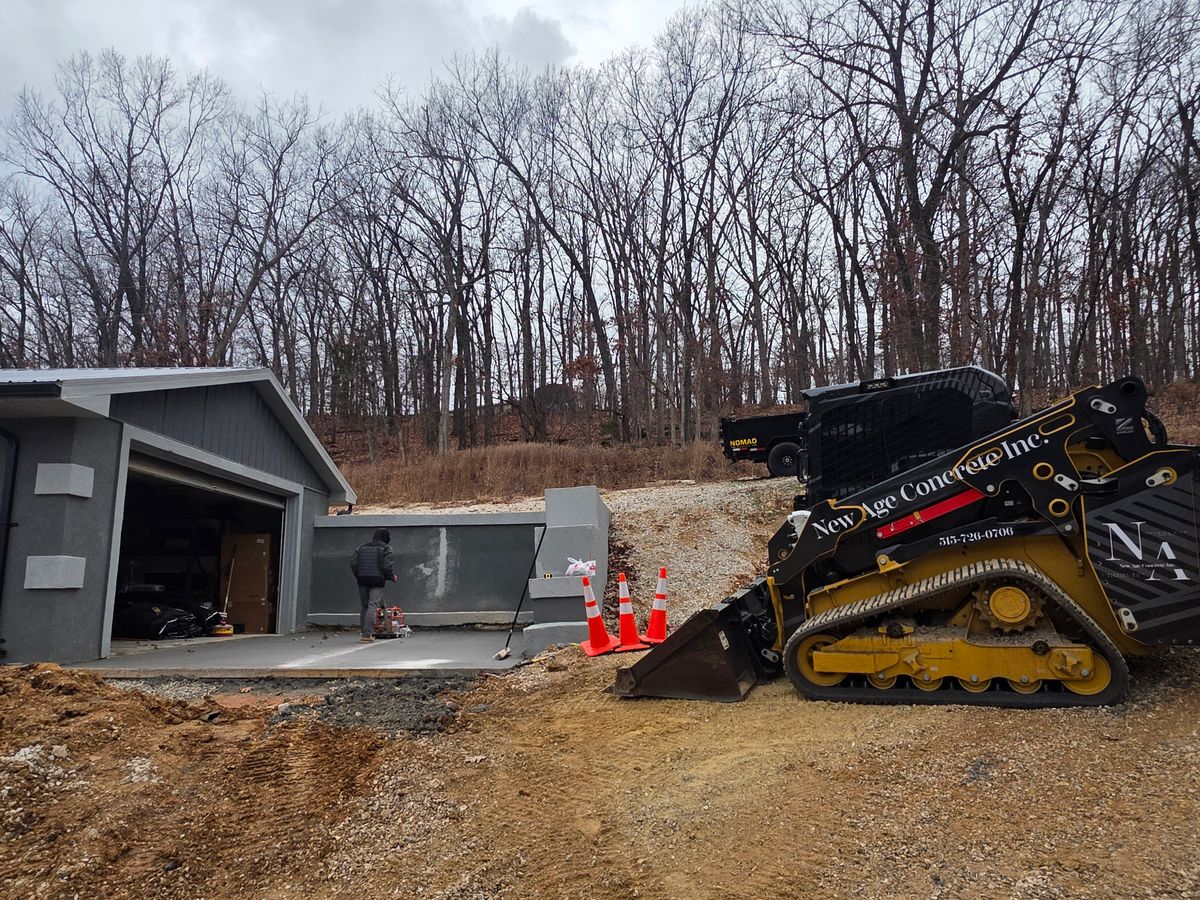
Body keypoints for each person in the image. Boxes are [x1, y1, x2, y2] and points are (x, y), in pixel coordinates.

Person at [350, 528, 396, 642]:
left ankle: (364, 633)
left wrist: (359, 575)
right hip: (377, 579)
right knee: (372, 605)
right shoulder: (386, 548)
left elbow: (353, 563)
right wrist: (391, 577)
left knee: (364, 606)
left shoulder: (361, 547)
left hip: (362, 579)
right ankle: (367, 635)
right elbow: (387, 566)